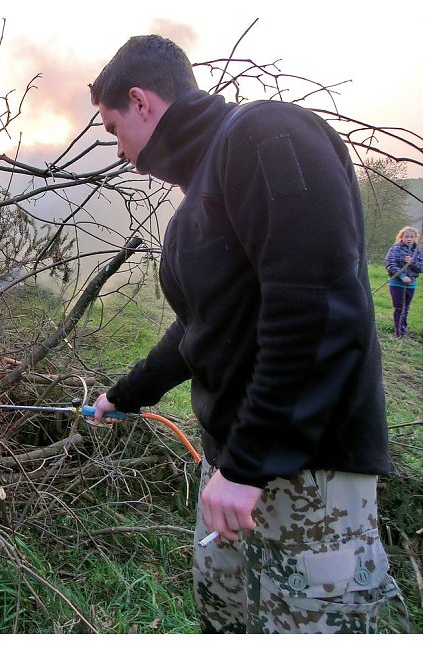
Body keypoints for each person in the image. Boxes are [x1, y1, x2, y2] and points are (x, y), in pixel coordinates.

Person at [88, 35, 402, 633]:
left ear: (141, 101)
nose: (119, 149)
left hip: (306, 471)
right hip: (236, 471)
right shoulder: (203, 188)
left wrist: (249, 465)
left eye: (113, 127)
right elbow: (204, 326)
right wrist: (125, 395)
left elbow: (313, 308)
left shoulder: (267, 135)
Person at [385, 226, 423, 339]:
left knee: (406, 308)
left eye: (412, 237)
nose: (409, 239)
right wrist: (402, 276)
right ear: (401, 237)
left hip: (411, 284)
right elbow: (390, 264)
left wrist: (412, 262)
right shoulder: (395, 249)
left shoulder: (418, 251)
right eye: (406, 236)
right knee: (399, 308)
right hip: (397, 283)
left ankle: (403, 330)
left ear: (415, 238)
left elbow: (422, 268)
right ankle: (399, 334)